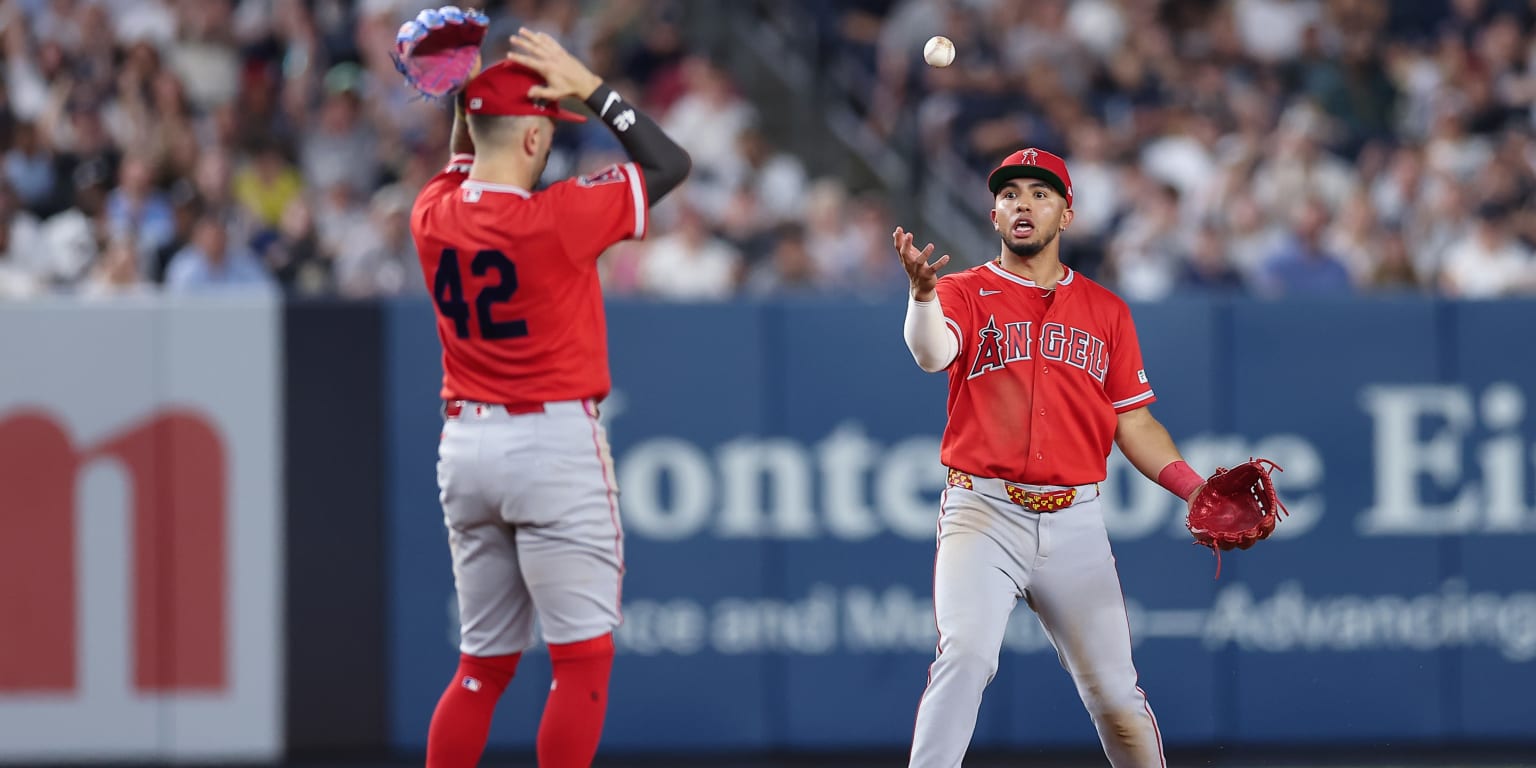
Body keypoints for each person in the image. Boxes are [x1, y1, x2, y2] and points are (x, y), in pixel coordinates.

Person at [407, 26, 690, 768]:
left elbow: (462, 161)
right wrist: (591, 89)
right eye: (546, 128)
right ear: (533, 139)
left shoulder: (431, 213)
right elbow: (669, 162)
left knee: (481, 667)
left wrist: (467, 94)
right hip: (552, 445)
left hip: (465, 447)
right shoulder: (558, 218)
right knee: (580, 664)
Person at [895, 147, 1210, 768]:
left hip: (1075, 525)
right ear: (994, 215)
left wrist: (1193, 488)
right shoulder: (963, 290)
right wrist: (923, 297)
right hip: (983, 513)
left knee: (1117, 696)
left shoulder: (1105, 310)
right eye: (1011, 194)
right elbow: (932, 354)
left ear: (1065, 215)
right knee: (964, 656)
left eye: (1040, 194)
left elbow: (1134, 419)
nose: (1024, 204)